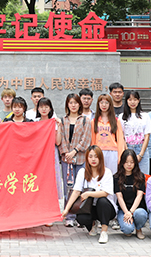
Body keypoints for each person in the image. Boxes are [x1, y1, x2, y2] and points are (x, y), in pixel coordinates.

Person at [61, 145, 116, 244]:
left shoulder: (107, 172)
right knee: (81, 218)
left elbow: (105, 193)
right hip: (89, 207)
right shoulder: (82, 172)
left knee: (102, 201)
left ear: (100, 158)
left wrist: (89, 194)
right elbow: (76, 191)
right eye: (90, 156)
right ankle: (93, 225)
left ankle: (104, 231)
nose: (93, 159)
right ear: (87, 158)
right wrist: (66, 209)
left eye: (96, 156)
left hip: (106, 208)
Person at [58, 93, 91, 227]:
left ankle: (80, 216)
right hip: (66, 159)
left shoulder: (85, 120)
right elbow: (61, 138)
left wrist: (75, 151)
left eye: (75, 103)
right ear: (67, 104)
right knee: (68, 187)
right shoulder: (63, 120)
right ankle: (69, 216)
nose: (73, 105)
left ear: (79, 104)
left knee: (80, 187)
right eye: (70, 103)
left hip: (81, 158)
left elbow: (86, 139)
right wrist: (66, 153)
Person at [35, 97, 63, 226]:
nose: (44, 109)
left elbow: (57, 142)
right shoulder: (34, 123)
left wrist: (59, 126)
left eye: (46, 107)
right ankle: (39, 213)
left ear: (50, 108)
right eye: (41, 107)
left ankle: (49, 215)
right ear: (38, 108)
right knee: (39, 183)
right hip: (38, 156)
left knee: (51, 183)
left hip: (51, 154)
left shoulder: (54, 122)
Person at [114, 149, 148, 239]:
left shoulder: (140, 176)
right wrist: (126, 212)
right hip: (123, 210)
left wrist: (131, 212)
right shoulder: (117, 177)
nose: (129, 165)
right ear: (122, 162)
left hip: (137, 209)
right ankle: (129, 226)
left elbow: (139, 196)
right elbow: (119, 197)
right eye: (126, 162)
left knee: (140, 214)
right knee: (127, 230)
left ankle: (138, 229)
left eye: (132, 162)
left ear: (135, 163)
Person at [118, 91, 151, 175]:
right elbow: (121, 136)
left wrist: (141, 154)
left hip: (141, 148)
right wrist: (127, 151)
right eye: (130, 100)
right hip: (128, 147)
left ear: (139, 100)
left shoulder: (145, 116)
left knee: (144, 175)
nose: (132, 102)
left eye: (135, 99)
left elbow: (147, 135)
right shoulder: (121, 117)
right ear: (126, 101)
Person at [91, 94, 125, 174]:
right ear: (98, 104)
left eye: (106, 103)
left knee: (112, 175)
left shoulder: (116, 121)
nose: (104, 105)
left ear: (110, 104)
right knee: (99, 175)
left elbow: (120, 140)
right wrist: (93, 154)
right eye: (101, 102)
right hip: (98, 152)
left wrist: (120, 156)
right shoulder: (94, 121)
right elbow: (93, 140)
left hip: (113, 152)